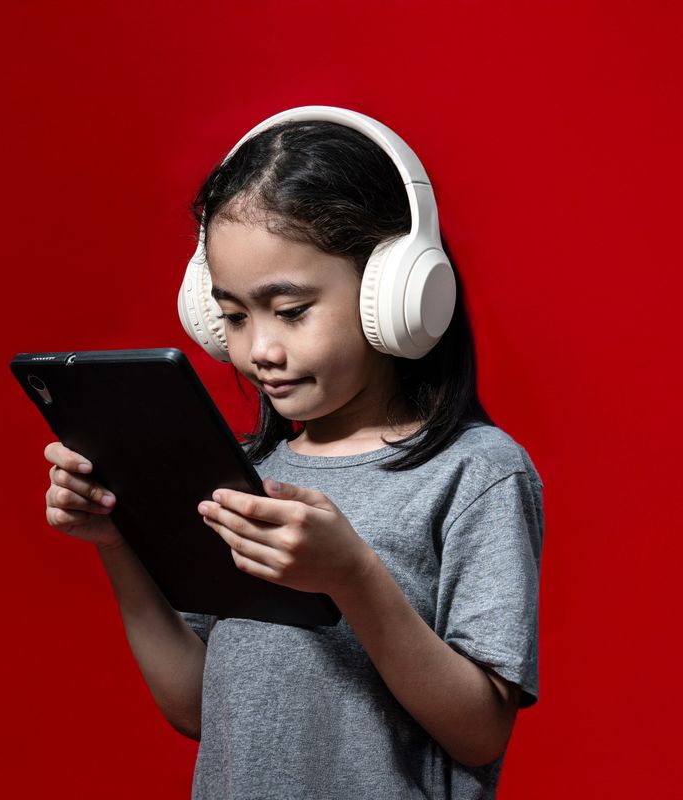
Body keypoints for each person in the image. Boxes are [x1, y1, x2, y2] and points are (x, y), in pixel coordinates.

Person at [42, 107, 544, 799]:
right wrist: (118, 541)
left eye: (291, 309)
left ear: (393, 294)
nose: (259, 351)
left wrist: (350, 576)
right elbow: (193, 706)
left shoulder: (475, 472)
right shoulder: (241, 471)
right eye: (235, 315)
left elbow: (481, 730)